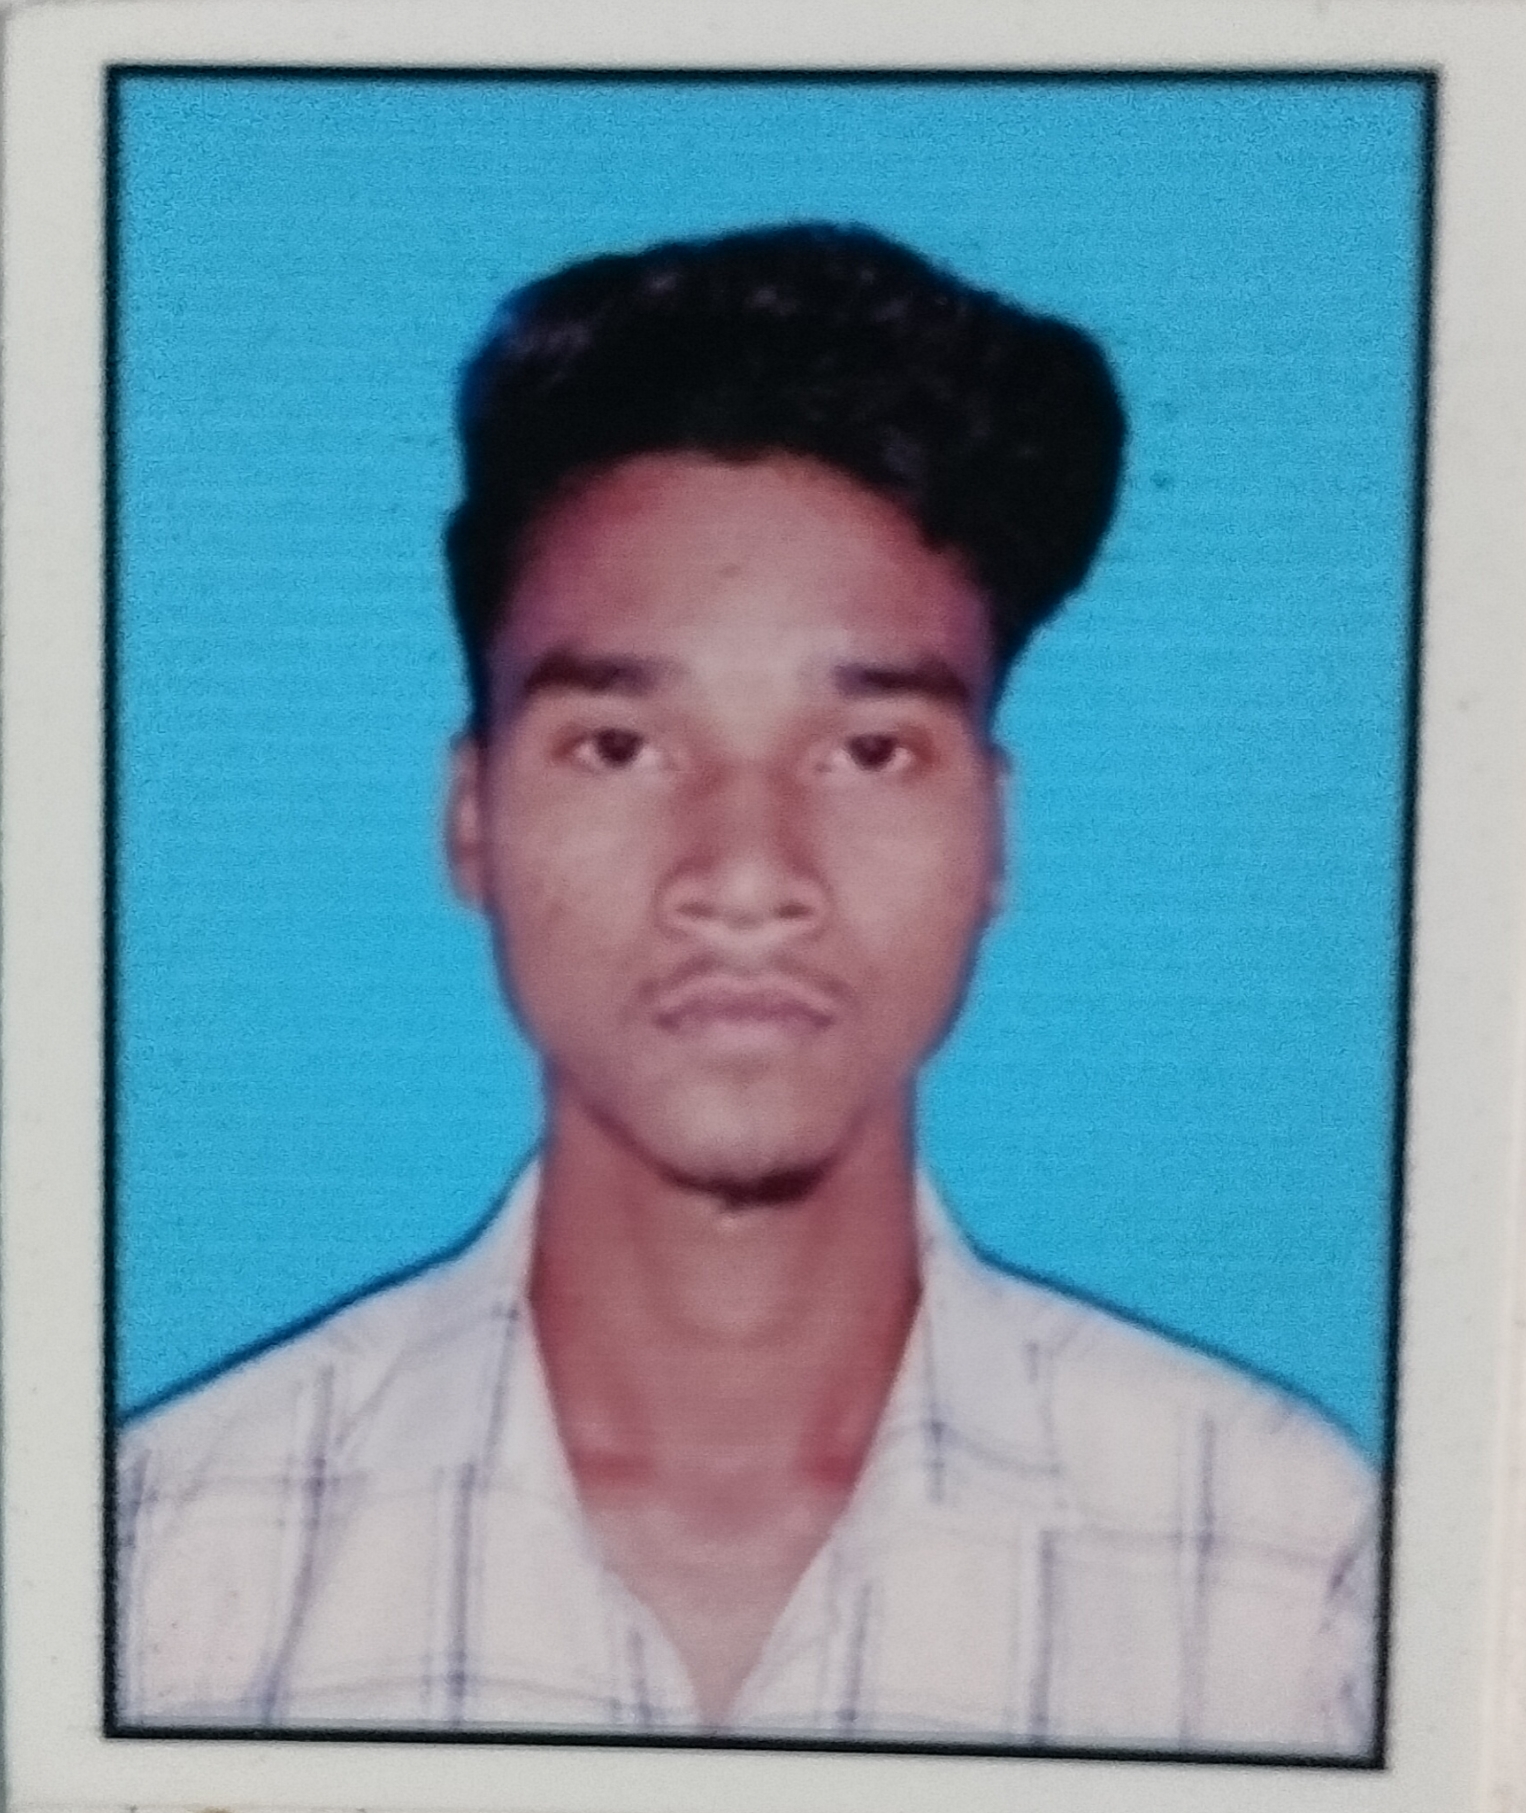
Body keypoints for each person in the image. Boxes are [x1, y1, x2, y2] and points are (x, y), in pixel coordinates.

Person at [114, 223, 1377, 1751]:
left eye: (868, 751)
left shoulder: (1286, 1575)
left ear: (993, 835)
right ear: (470, 819)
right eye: (619, 746)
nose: (744, 872)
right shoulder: (158, 1566)